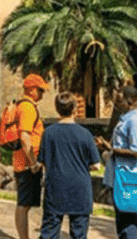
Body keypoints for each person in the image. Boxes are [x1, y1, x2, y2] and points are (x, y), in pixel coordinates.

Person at [37, 91, 101, 239]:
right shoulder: (85, 134)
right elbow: (96, 165)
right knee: (79, 234)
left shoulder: (49, 133)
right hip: (79, 190)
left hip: (55, 188)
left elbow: (42, 161)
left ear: (57, 109)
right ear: (74, 109)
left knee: (49, 232)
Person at [95, 85, 137, 239]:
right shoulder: (125, 119)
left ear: (130, 100)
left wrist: (111, 148)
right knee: (124, 220)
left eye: (119, 100)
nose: (116, 104)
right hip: (120, 176)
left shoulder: (134, 122)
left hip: (128, 178)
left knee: (128, 221)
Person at [13, 73, 49, 239]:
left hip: (24, 161)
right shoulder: (27, 108)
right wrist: (33, 163)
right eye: (40, 90)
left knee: (25, 203)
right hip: (27, 164)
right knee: (24, 204)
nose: (42, 94)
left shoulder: (25, 106)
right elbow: (25, 137)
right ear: (32, 90)